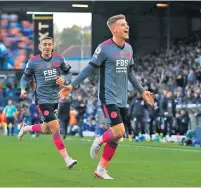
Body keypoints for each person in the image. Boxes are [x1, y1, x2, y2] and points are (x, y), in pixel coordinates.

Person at [59, 14, 154, 179]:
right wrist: (72, 85)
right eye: (123, 24)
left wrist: (142, 91)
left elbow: (130, 73)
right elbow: (89, 69)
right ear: (114, 29)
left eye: (127, 24)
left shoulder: (129, 49)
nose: (127, 27)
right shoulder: (104, 48)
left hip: (122, 98)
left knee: (118, 136)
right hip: (107, 96)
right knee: (119, 130)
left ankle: (100, 169)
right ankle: (99, 139)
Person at [18, 36, 77, 169]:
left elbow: (68, 74)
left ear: (52, 46)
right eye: (44, 44)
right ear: (40, 47)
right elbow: (24, 78)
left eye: (49, 44)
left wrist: (64, 79)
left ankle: (26, 128)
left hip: (54, 99)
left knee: (46, 130)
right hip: (42, 100)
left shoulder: (59, 58)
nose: (47, 46)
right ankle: (67, 159)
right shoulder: (33, 62)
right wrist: (23, 89)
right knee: (56, 128)